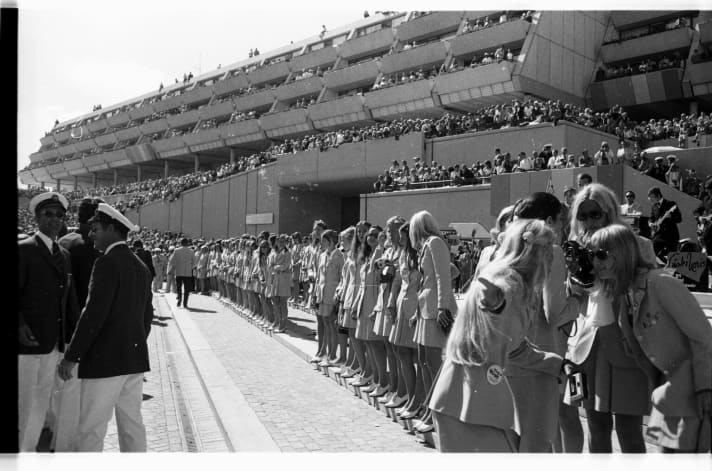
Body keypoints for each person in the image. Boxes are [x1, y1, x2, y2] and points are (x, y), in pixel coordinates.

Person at [429, 219, 564, 452]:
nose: (552, 259)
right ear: (534, 252)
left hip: (464, 400)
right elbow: (496, 299)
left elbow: (515, 348)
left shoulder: (509, 280)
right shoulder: (507, 283)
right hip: (470, 404)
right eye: (548, 250)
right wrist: (496, 304)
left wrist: (554, 363)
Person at [583, 224, 712, 452]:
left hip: (694, 395)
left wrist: (706, 388)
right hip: (670, 395)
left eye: (601, 255)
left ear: (623, 253)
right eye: (592, 255)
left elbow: (703, 337)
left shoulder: (661, 283)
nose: (595, 262)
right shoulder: (626, 294)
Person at [57, 203, 152, 452]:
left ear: (111, 229)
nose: (91, 234)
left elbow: (93, 315)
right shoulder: (139, 265)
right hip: (133, 360)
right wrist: (134, 342)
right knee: (132, 426)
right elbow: (146, 316)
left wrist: (72, 356)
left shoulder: (107, 263)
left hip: (106, 362)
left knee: (90, 429)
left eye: (96, 229)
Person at [19, 192, 80, 452]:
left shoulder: (63, 254)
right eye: (48, 214)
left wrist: (72, 337)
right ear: (36, 218)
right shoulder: (24, 250)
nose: (55, 219)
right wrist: (19, 324)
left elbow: (68, 300)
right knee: (29, 405)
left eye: (59, 215)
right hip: (29, 341)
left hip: (54, 342)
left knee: (42, 402)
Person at [410, 210, 458, 434]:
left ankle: (436, 412)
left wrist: (442, 307)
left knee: (432, 361)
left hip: (434, 309)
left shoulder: (435, 243)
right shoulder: (426, 246)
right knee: (424, 360)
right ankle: (430, 409)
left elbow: (442, 277)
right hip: (424, 308)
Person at [647, 186, 681, 259]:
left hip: (671, 235)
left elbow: (679, 219)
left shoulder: (670, 204)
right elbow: (651, 218)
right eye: (649, 197)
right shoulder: (654, 206)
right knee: (652, 253)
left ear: (658, 195)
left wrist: (671, 217)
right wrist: (650, 223)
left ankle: (671, 270)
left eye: (652, 197)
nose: (650, 199)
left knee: (672, 258)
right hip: (659, 235)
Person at [169, 237, 197, 308]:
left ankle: (179, 298)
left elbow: (172, 261)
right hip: (188, 272)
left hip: (179, 272)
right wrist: (192, 268)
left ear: (181, 243)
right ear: (187, 243)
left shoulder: (176, 250)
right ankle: (185, 303)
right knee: (187, 289)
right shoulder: (191, 251)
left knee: (179, 287)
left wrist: (171, 269)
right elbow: (194, 262)